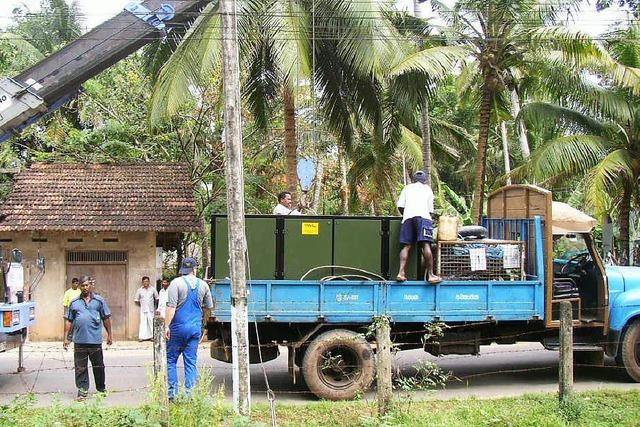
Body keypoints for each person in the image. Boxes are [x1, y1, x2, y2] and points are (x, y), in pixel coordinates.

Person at [164, 257, 213, 401]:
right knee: (190, 361)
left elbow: (171, 308)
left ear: (182, 270)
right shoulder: (203, 285)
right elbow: (209, 307)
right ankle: (190, 395)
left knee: (171, 360)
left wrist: (166, 326)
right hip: (194, 329)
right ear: (194, 269)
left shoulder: (176, 284)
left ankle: (172, 394)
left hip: (178, 328)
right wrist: (204, 325)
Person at [63, 275, 113, 400]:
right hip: (79, 341)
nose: (85, 287)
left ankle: (101, 389)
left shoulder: (99, 301)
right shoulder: (74, 303)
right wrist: (65, 338)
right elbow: (69, 320)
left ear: (91, 285)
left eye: (87, 285)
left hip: (95, 340)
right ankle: (82, 391)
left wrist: (110, 335)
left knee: (99, 366)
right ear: (79, 287)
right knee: (80, 368)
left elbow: (106, 318)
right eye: (83, 285)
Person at [396, 170, 442, 284]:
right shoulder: (427, 189)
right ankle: (431, 275)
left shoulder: (407, 188)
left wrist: (407, 214)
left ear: (414, 179)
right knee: (425, 244)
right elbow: (430, 210)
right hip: (423, 217)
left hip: (408, 218)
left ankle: (401, 273)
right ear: (424, 180)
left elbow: (400, 206)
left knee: (406, 246)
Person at [134, 276, 158, 341]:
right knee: (143, 323)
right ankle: (141, 337)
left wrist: (155, 306)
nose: (145, 283)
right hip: (143, 309)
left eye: (147, 281)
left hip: (151, 309)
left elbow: (157, 298)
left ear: (149, 282)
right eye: (144, 281)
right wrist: (142, 304)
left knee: (151, 322)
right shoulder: (139, 290)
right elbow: (136, 300)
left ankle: (152, 336)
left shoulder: (153, 289)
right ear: (142, 282)